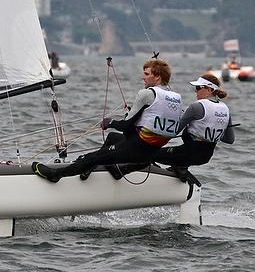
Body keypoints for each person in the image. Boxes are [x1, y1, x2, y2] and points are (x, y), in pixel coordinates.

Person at [32, 58, 183, 182]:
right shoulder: (177, 99)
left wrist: (109, 122)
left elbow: (124, 126)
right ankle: (106, 169)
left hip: (135, 149)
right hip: (151, 152)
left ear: (157, 77)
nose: (142, 77)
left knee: (90, 157)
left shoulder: (146, 94)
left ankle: (55, 175)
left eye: (146, 74)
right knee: (112, 138)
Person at [154, 73, 233, 170]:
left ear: (209, 89)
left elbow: (172, 132)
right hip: (205, 158)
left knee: (149, 154)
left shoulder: (196, 106)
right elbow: (229, 140)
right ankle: (180, 170)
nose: (195, 90)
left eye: (198, 88)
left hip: (187, 154)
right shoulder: (225, 109)